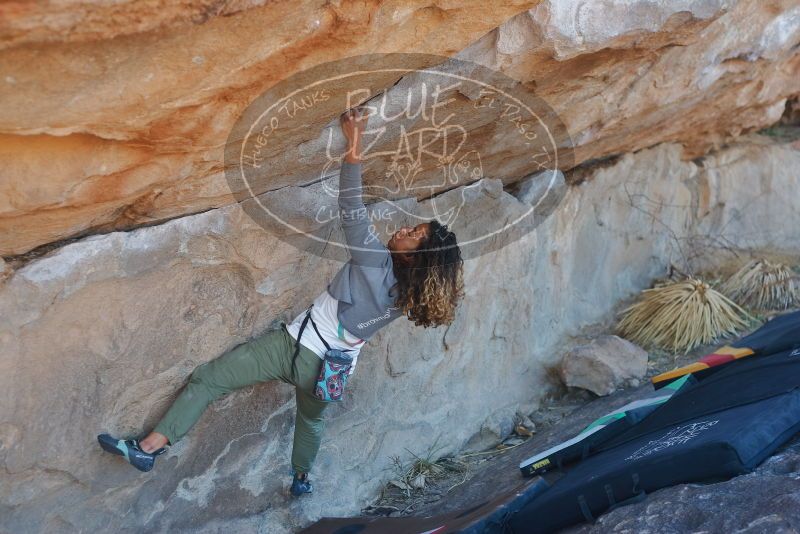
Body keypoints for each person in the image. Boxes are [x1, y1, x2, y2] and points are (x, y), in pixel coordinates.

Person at [97, 107, 465, 497]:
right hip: (333, 371)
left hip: (293, 349)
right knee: (310, 422)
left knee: (210, 379)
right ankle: (302, 479)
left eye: (414, 234)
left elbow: (352, 207)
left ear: (412, 257)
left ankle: (148, 448)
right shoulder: (410, 296)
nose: (405, 228)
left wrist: (355, 141)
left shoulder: (375, 261)